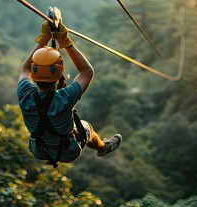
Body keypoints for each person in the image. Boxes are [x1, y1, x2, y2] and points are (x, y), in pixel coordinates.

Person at [17, 16, 122, 167]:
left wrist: (44, 39)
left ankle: (102, 147)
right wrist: (65, 41)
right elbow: (87, 71)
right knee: (88, 128)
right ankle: (102, 148)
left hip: (39, 149)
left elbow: (24, 69)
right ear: (59, 74)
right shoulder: (64, 98)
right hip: (68, 150)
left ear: (34, 73)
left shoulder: (25, 93)